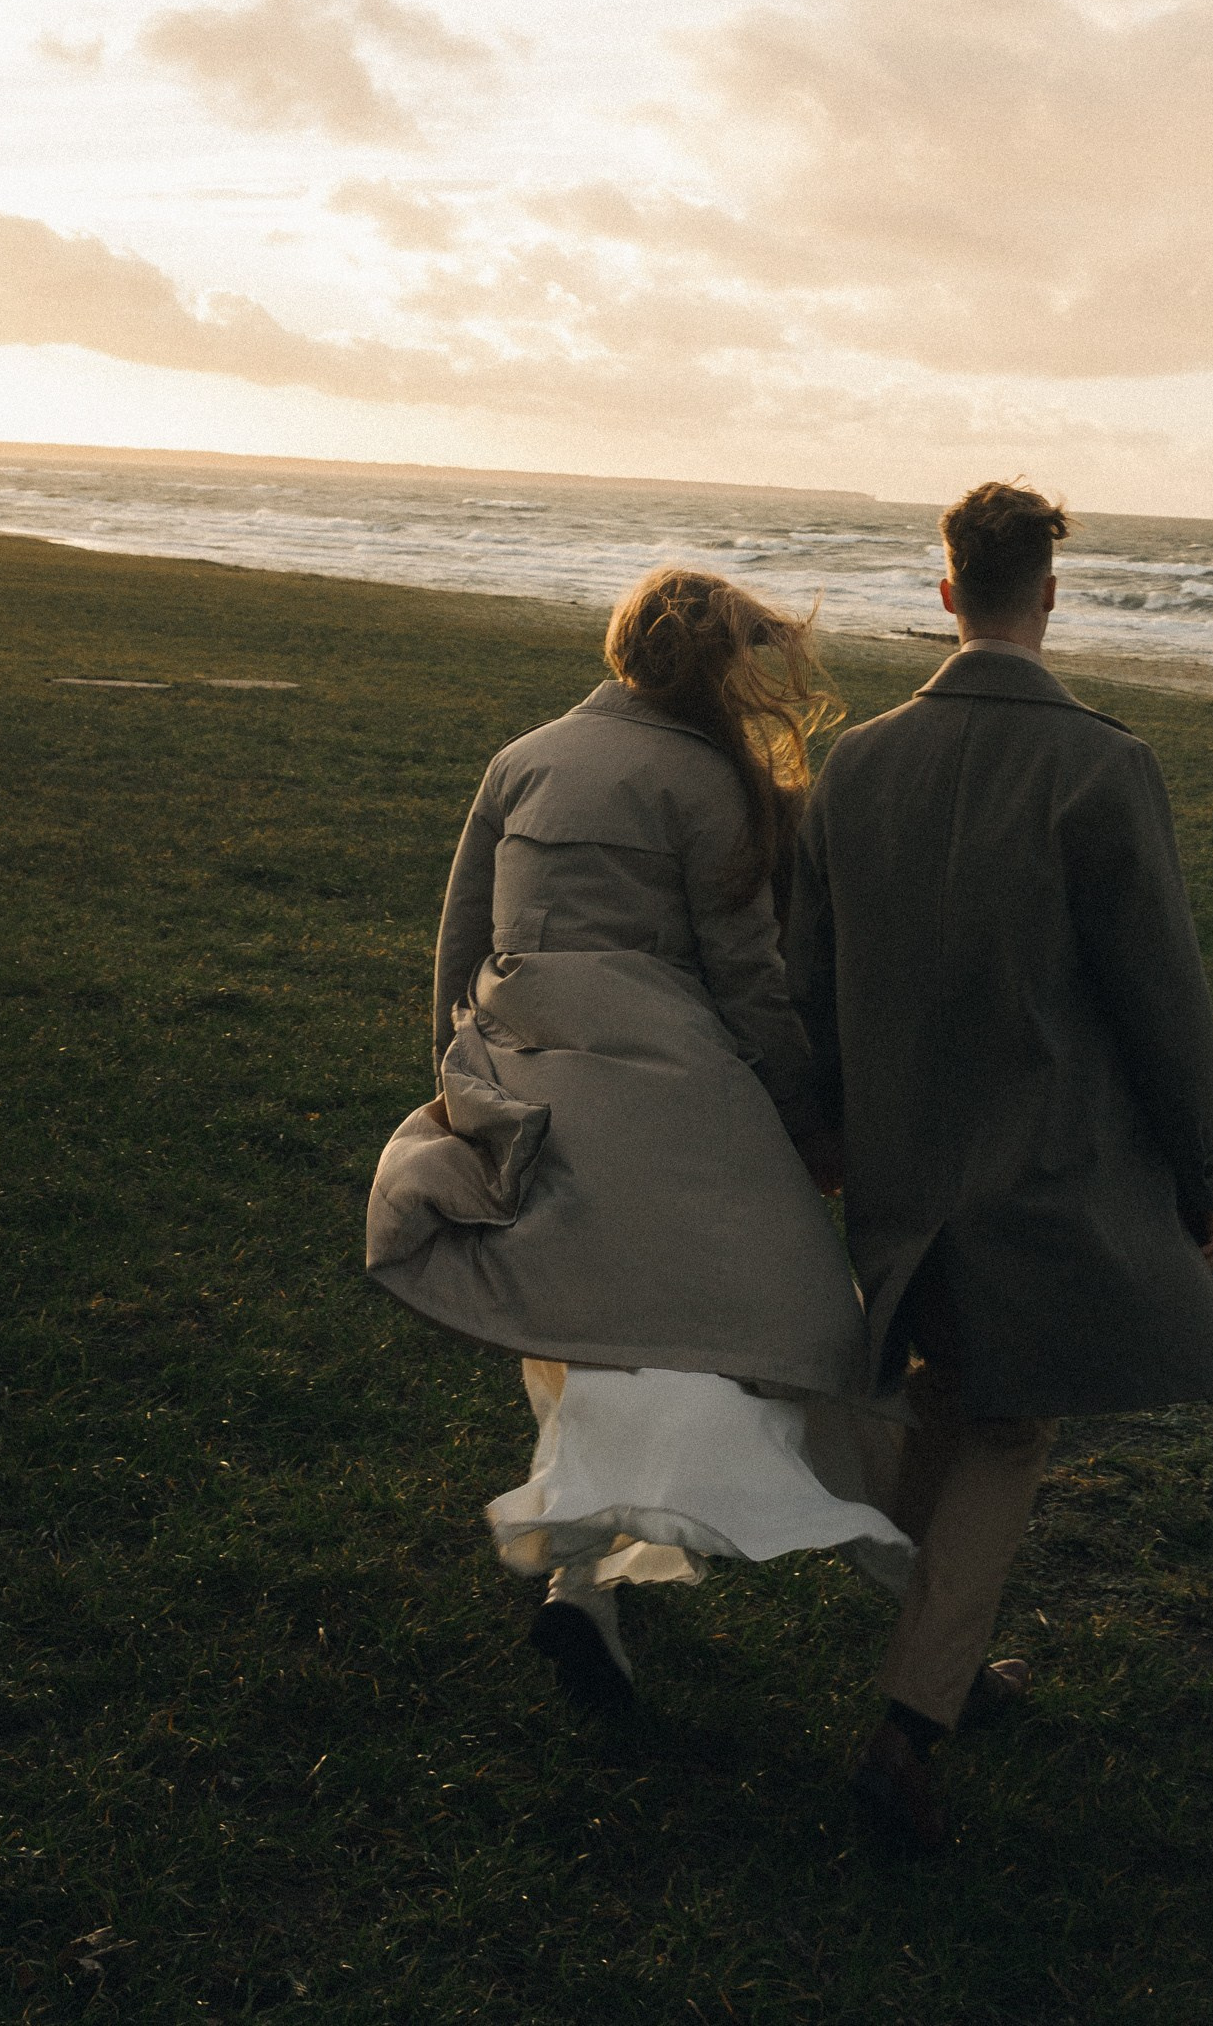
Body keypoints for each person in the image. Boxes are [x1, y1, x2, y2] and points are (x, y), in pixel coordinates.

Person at [785, 481, 1213, 1849]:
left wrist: (824, 1130)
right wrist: (1203, 1175)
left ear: (947, 591)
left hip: (898, 1167)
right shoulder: (1102, 767)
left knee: (951, 1396)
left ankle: (941, 1646)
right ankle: (908, 1727)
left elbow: (806, 981)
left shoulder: (855, 765)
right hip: (1042, 1174)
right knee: (1006, 1425)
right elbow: (1164, 1000)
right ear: (1048, 591)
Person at [366, 568, 909, 1714]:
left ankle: (581, 1590)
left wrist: (458, 1085)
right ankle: (892, 1561)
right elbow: (747, 979)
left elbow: (458, 942)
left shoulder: (523, 756)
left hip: (520, 1075)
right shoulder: (710, 782)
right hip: (659, 1086)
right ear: (719, 667)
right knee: (794, 1314)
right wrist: (805, 1120)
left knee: (581, 1330)